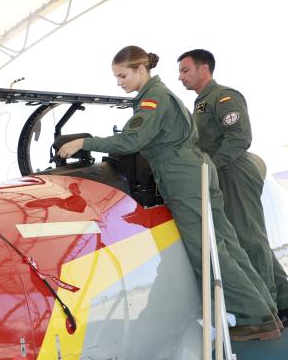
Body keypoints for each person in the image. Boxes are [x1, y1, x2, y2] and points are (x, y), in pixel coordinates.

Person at [57, 46, 281, 340]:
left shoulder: (153, 99)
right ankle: (266, 313)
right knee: (226, 245)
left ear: (141, 69)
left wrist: (85, 142)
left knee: (208, 251)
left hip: (182, 179)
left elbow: (132, 140)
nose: (119, 82)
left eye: (123, 75)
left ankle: (254, 318)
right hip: (197, 173)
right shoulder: (164, 95)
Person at [178, 49, 288, 325]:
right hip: (221, 173)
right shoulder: (201, 104)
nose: (181, 77)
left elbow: (239, 137)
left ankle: (267, 308)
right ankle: (284, 299)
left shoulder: (224, 97)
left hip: (234, 170)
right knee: (244, 238)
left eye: (185, 70)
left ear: (204, 69)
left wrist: (212, 166)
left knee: (249, 237)